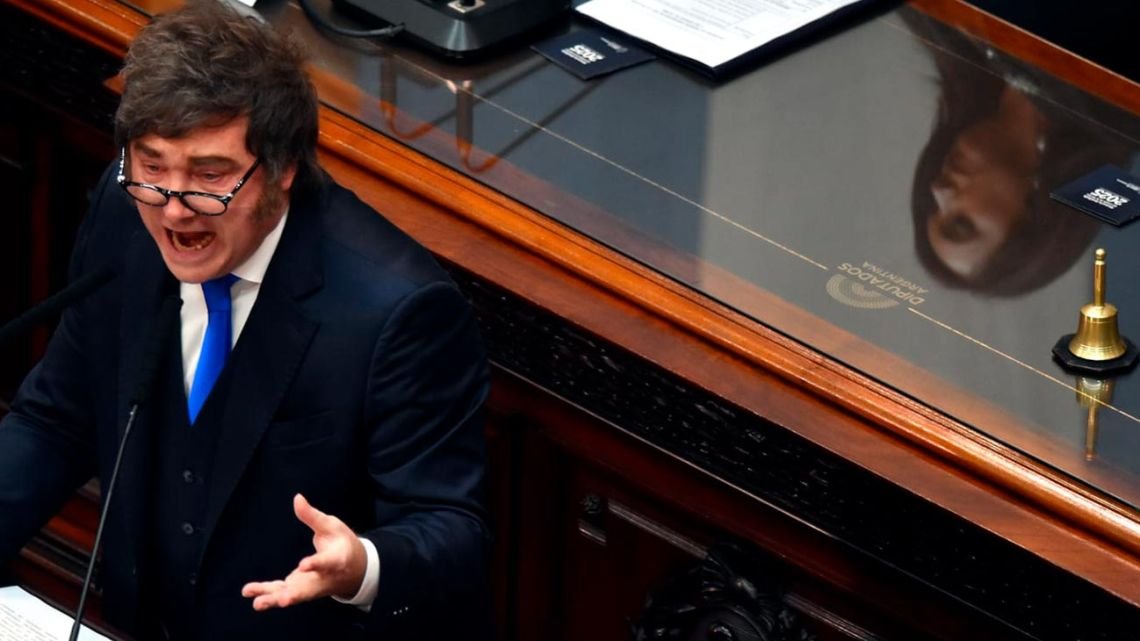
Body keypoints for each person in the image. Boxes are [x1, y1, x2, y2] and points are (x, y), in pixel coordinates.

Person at [0, 1, 492, 639]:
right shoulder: (126, 214)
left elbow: (452, 527)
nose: (174, 211)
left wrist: (362, 565)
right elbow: (56, 418)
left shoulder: (395, 310)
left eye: (210, 176)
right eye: (152, 166)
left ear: (284, 168)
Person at [904, 10, 1137, 296]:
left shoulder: (945, 34)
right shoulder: (1119, 105)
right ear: (1034, 216)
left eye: (933, 205)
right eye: (962, 224)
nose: (938, 190)